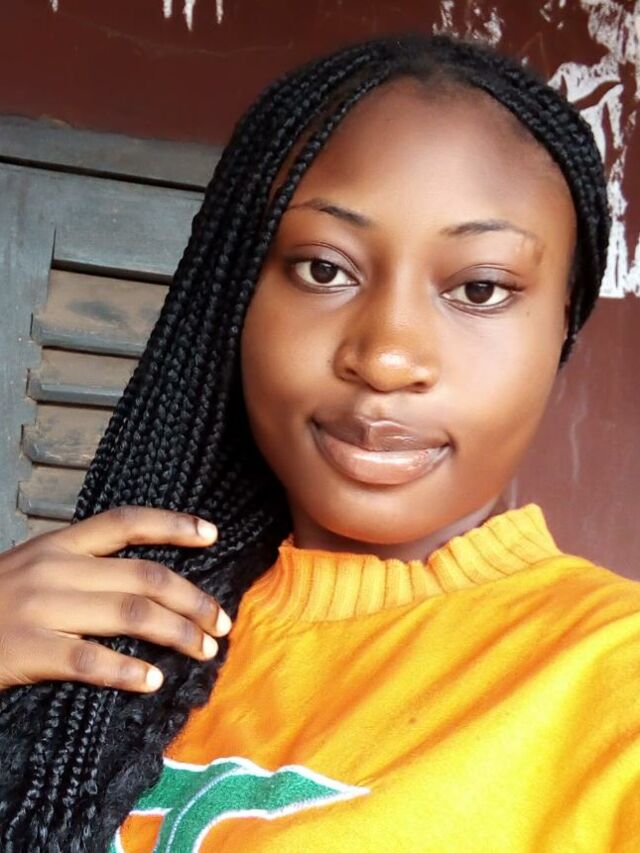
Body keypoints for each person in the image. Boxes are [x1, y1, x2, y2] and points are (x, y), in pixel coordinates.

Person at [0, 31, 635, 853]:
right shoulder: (93, 622)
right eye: (324, 270)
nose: (386, 356)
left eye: (479, 288)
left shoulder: (614, 677)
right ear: (235, 299)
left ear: (562, 330)